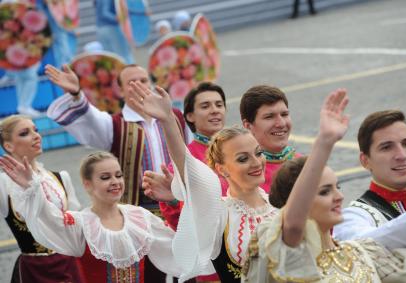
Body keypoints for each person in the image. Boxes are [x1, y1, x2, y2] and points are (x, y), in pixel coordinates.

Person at [242, 90, 406, 282]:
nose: (338, 196)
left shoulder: (359, 252)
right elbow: (294, 227)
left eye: (337, 187)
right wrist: (325, 141)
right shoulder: (292, 258)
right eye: (324, 191)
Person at [126, 80, 278, 282]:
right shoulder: (220, 214)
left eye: (258, 153)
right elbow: (189, 170)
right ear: (221, 169)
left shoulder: (278, 206)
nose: (256, 162)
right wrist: (168, 120)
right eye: (243, 158)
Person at [0, 151, 208, 282]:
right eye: (105, 177)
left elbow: (179, 245)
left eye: (118, 175)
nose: (115, 182)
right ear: (87, 184)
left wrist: (173, 201)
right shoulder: (81, 223)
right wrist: (32, 189)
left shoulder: (139, 217)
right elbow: (48, 218)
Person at [45, 63, 189, 215]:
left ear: (151, 84)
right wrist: (76, 94)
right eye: (132, 82)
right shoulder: (115, 124)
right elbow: (91, 117)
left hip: (180, 199)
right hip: (140, 207)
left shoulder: (175, 116)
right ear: (120, 90)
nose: (140, 85)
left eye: (144, 80)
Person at [143, 82, 227, 283]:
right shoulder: (183, 162)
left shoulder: (242, 150)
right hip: (213, 264)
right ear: (189, 116)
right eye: (205, 106)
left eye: (219, 104)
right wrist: (173, 200)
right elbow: (179, 224)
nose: (215, 110)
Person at [0, 115, 84, 282]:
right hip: (35, 269)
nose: (36, 135)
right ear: (8, 146)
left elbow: (77, 228)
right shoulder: (4, 184)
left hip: (69, 265)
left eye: (36, 130)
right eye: (25, 133)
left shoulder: (60, 178)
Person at [333, 110, 406, 248]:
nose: (402, 155)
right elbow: (360, 246)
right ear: (365, 161)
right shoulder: (354, 216)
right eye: (387, 147)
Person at [240, 85, 302, 192]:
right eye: (269, 117)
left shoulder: (304, 165)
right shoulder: (240, 175)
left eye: (284, 114)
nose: (281, 123)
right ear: (248, 126)